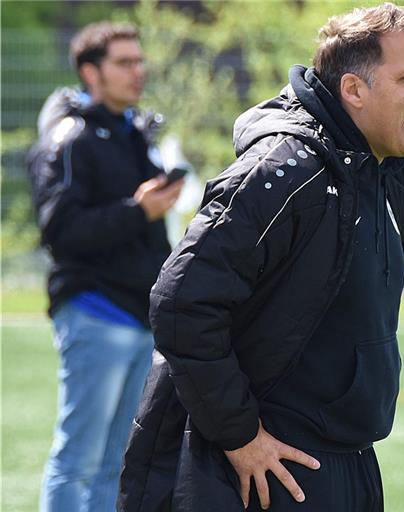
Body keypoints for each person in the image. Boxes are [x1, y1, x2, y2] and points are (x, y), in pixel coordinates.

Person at [119, 3, 404, 511]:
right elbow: (181, 303)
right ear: (354, 90)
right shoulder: (285, 171)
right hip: (269, 471)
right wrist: (240, 436)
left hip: (350, 459)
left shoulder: (390, 173)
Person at [27, 21, 184, 512]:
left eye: (139, 60)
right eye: (124, 62)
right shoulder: (70, 138)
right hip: (96, 312)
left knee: (120, 461)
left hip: (141, 316)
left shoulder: (135, 131)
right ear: (90, 72)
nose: (138, 71)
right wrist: (138, 210)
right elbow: (61, 232)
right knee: (78, 459)